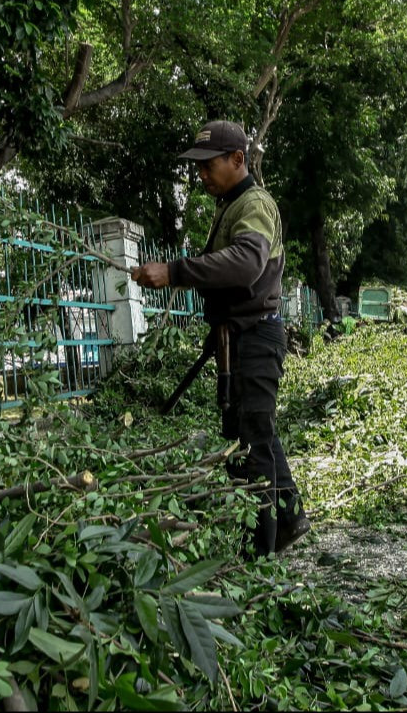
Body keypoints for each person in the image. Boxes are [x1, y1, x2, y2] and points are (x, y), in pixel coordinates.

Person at [130, 120, 307, 558]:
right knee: (254, 433)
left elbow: (246, 264)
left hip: (256, 338)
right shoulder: (231, 205)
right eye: (198, 168)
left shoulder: (254, 204)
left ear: (237, 160)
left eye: (208, 166)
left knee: (251, 444)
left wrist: (175, 272)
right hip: (240, 340)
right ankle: (288, 519)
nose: (201, 175)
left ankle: (260, 555)